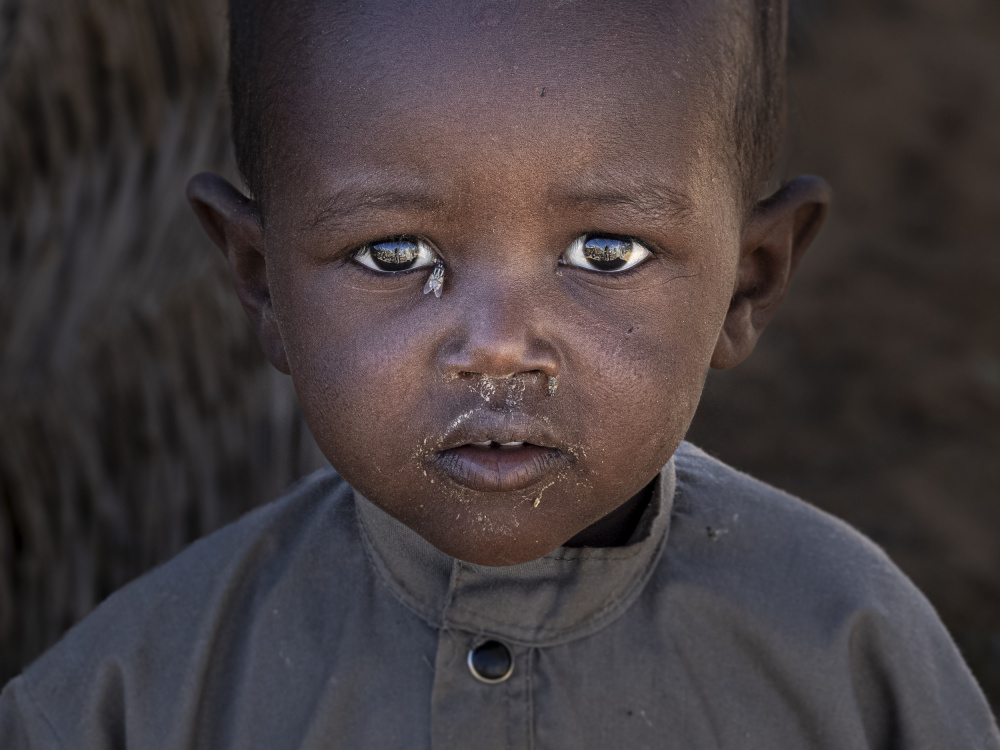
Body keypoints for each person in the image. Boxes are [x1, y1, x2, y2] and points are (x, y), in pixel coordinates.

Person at [2, 0, 997, 747]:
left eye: (605, 252)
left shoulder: (848, 651)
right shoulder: (136, 696)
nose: (499, 345)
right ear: (260, 285)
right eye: (393, 255)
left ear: (751, 281)